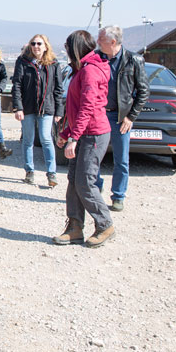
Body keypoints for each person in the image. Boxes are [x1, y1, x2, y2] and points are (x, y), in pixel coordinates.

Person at [53, 30, 115, 247]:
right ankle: (75, 227)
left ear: (75, 48)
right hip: (83, 133)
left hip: (94, 134)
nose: (66, 51)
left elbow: (87, 108)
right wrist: (66, 134)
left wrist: (73, 138)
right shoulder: (83, 68)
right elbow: (76, 108)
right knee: (74, 181)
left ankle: (105, 224)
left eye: (67, 47)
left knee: (84, 182)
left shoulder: (90, 71)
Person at [94, 26, 150, 212]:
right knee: (93, 155)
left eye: (101, 39)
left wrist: (130, 117)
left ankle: (118, 196)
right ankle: (95, 188)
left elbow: (143, 91)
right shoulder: (96, 58)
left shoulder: (133, 60)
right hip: (99, 114)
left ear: (112, 42)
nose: (97, 42)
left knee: (121, 160)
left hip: (120, 117)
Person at [11, 33, 64, 187]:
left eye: (39, 44)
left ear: (45, 46)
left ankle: (51, 173)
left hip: (46, 107)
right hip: (27, 107)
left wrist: (59, 111)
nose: (36, 46)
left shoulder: (53, 64)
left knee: (46, 138)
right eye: (33, 44)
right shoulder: (23, 61)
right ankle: (29, 171)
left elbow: (58, 89)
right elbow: (17, 85)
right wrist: (18, 107)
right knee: (28, 140)